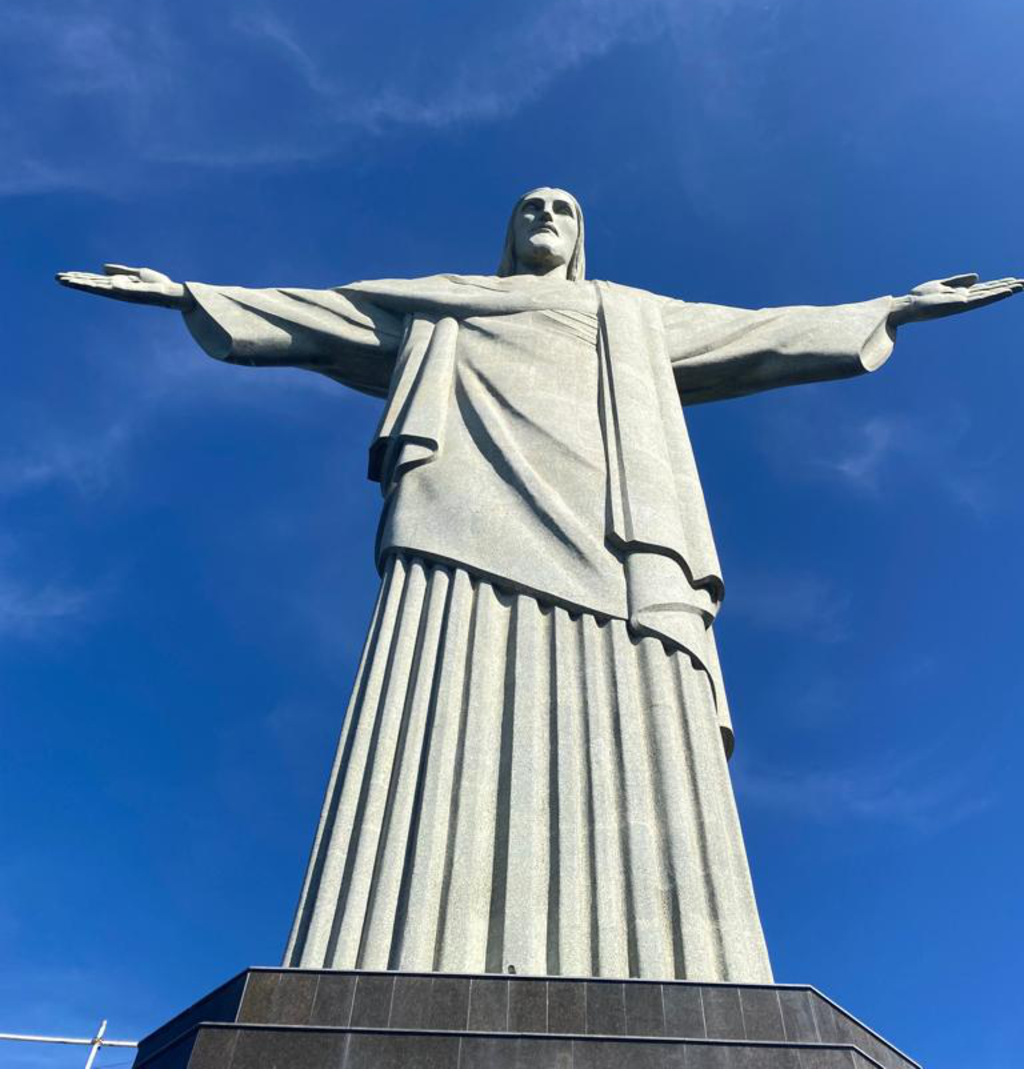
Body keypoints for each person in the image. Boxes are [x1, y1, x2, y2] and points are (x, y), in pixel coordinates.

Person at [57, 188, 1021, 982]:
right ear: (509, 232)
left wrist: (892, 306)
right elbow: (318, 317)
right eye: (529, 205)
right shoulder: (441, 303)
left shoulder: (634, 316)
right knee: (444, 706)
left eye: (562, 205)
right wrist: (189, 292)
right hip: (460, 528)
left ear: (581, 232)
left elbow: (761, 332)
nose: (545, 213)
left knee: (637, 715)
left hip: (620, 538)